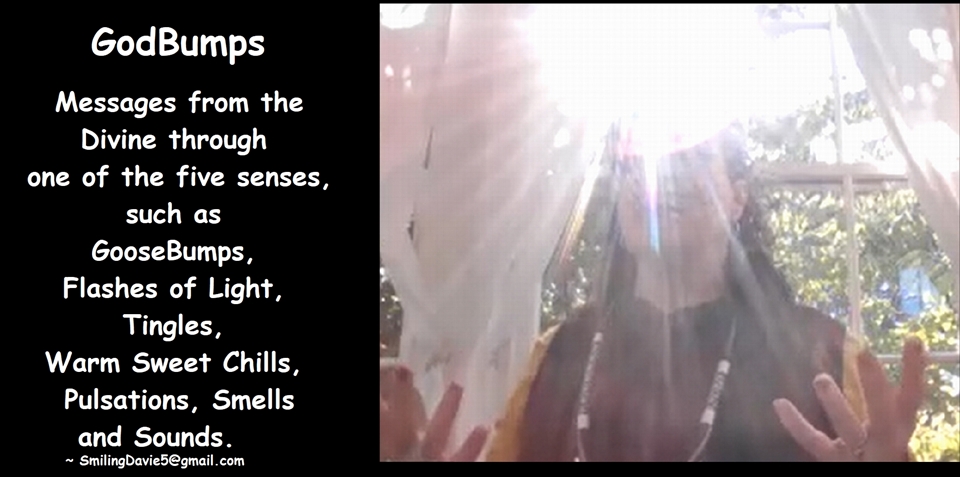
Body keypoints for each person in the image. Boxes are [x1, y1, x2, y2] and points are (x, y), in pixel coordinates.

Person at [379, 123, 929, 462]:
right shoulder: (560, 354)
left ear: (738, 198)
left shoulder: (822, 354)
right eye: (637, 163)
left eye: (692, 157)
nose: (661, 177)